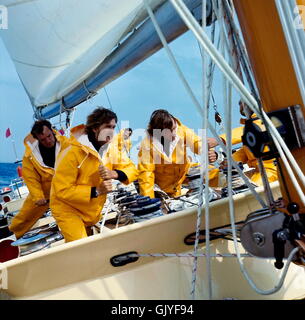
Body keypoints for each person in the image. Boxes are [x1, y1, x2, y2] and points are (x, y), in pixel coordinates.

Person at [50, 107, 138, 242]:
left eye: (114, 127)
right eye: (108, 126)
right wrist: (96, 191)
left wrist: (114, 173)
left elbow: (132, 169)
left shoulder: (111, 149)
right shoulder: (71, 152)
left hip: (91, 209)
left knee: (91, 244)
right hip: (67, 209)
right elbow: (62, 190)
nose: (111, 131)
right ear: (95, 128)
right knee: (82, 246)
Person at [9, 120, 71, 239]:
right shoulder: (30, 155)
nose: (48, 141)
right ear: (37, 138)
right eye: (43, 139)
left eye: (49, 136)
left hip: (67, 188)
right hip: (44, 193)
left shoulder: (68, 145)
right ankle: (11, 236)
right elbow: (30, 178)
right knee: (24, 216)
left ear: (52, 131)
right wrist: (38, 197)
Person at [137, 109, 218, 198]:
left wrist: (207, 152)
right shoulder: (147, 147)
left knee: (214, 172)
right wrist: (149, 201)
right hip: (163, 189)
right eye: (169, 132)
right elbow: (146, 176)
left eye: (174, 129)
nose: (174, 134)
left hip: (185, 174)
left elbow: (196, 142)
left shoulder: (181, 130)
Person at [219, 100, 278, 186]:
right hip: (261, 171)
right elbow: (246, 151)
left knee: (248, 189)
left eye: (243, 103)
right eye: (239, 104)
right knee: (226, 185)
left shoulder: (264, 120)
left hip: (273, 170)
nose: (240, 106)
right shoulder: (250, 127)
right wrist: (231, 161)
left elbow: (256, 130)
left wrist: (220, 139)